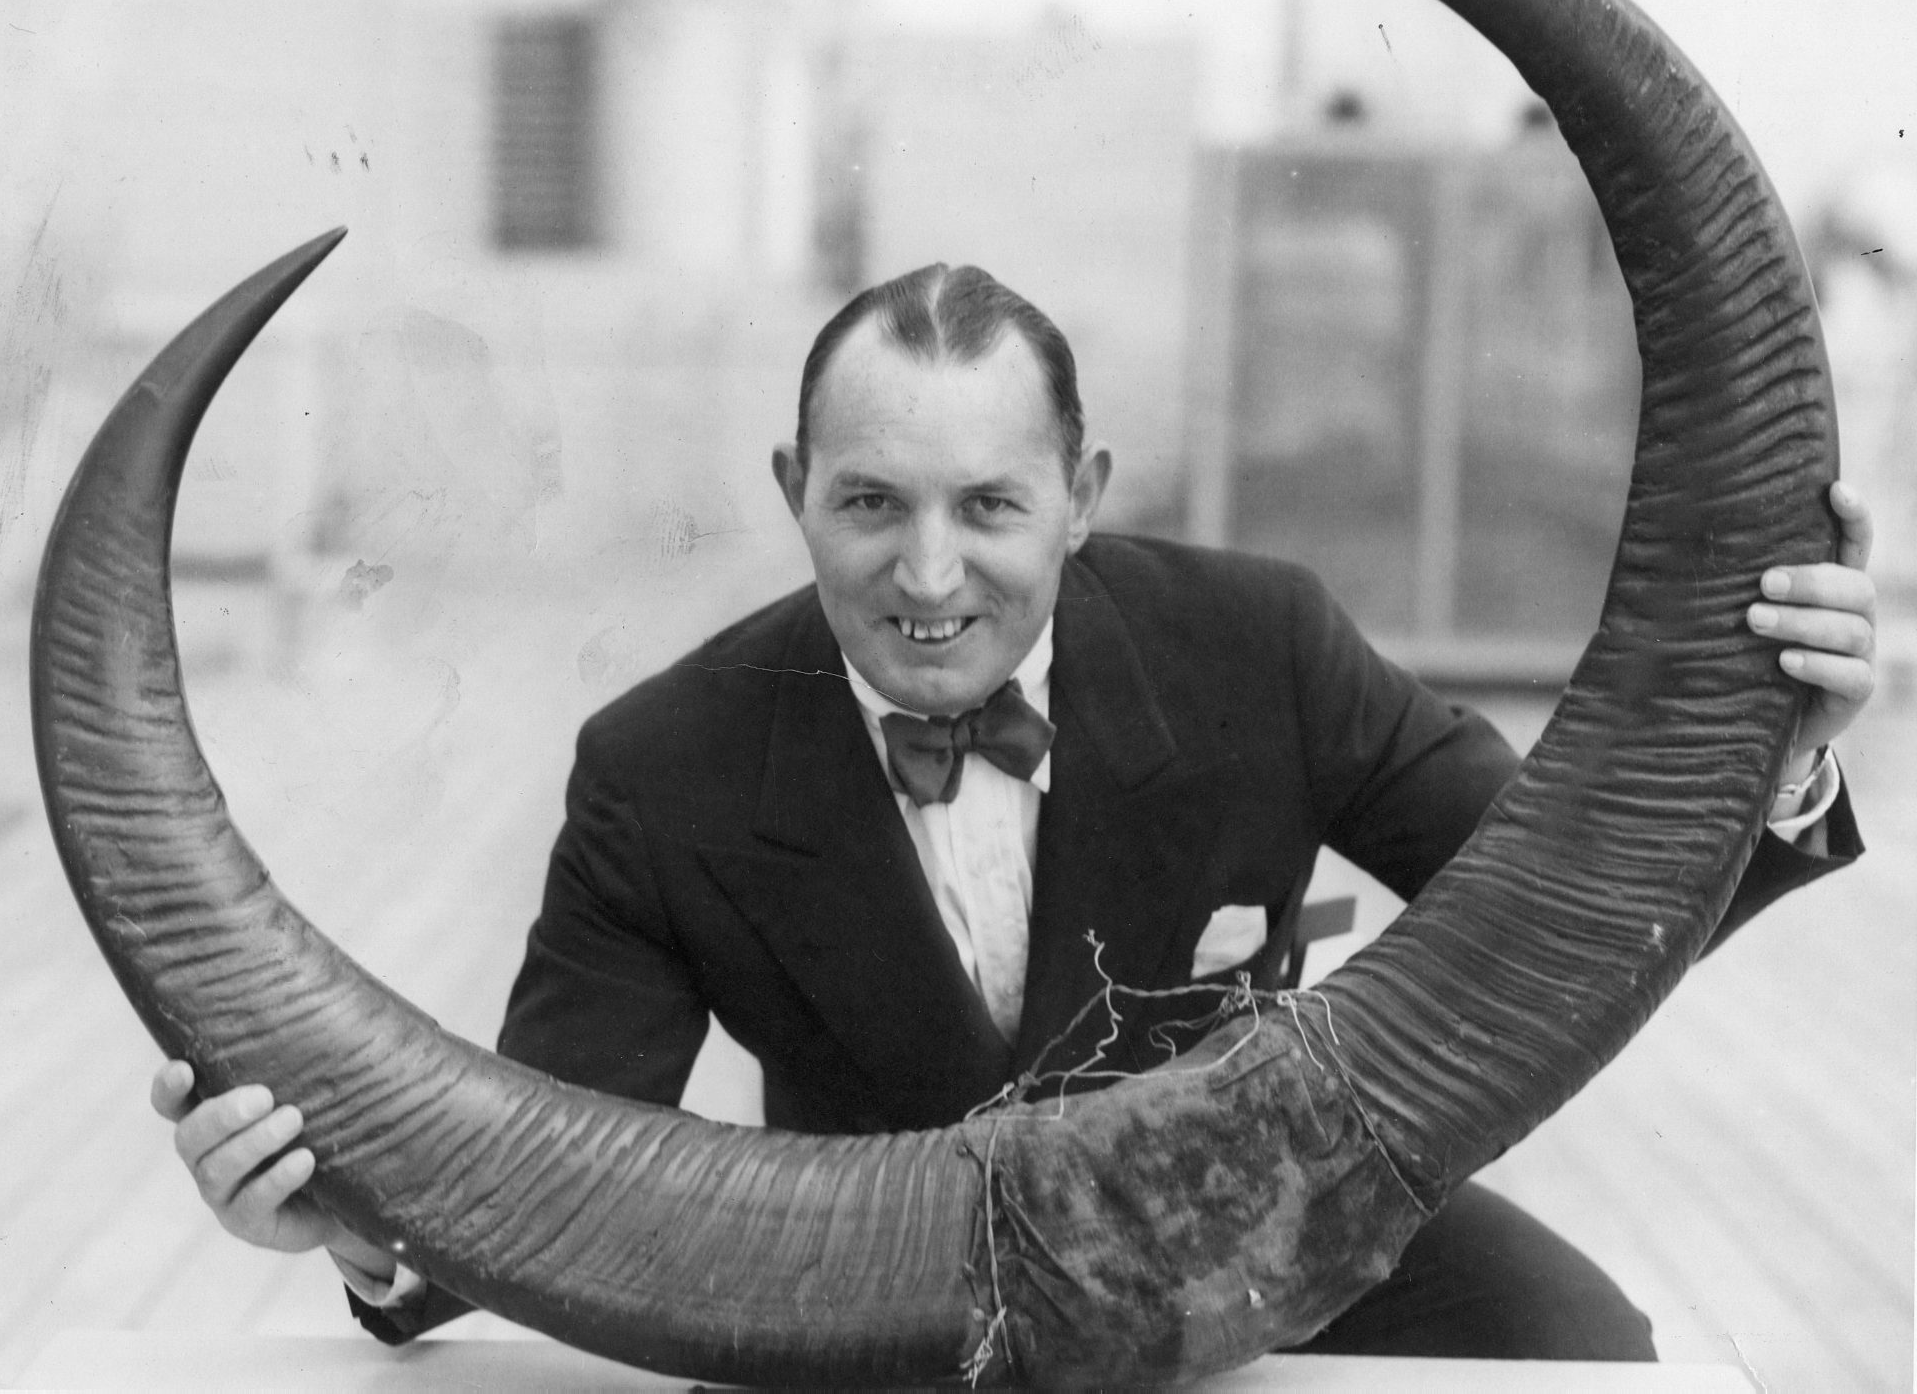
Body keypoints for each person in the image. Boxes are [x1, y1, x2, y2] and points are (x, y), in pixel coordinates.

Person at [153, 264, 1874, 1360]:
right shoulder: (659, 764)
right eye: (869, 504)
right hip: (874, 1307)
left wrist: (1771, 753)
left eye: (989, 505)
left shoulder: (1259, 644)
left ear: (1083, 497)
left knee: (1588, 1353)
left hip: (1274, 1241)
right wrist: (363, 1227)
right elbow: (548, 1162)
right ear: (792, 494)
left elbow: (1567, 914)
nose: (928, 576)